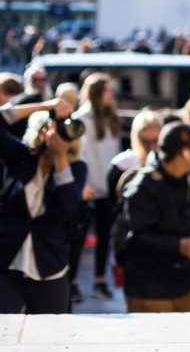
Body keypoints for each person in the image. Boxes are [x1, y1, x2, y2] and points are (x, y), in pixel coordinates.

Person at [0, 99, 85, 313]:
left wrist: (60, 158)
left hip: (50, 266)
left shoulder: (76, 169)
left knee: (52, 338)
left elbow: (69, 207)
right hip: (8, 263)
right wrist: (46, 106)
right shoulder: (22, 158)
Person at [120, 123, 190, 312]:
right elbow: (134, 238)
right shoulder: (143, 187)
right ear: (184, 152)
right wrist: (179, 245)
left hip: (184, 286)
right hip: (150, 291)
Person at [72, 72, 123, 301]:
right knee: (79, 237)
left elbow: (114, 153)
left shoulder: (112, 118)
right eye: (107, 91)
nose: (111, 95)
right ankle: (72, 282)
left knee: (105, 236)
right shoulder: (81, 119)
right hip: (87, 188)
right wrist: (83, 184)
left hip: (106, 188)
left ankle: (100, 281)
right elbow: (78, 155)